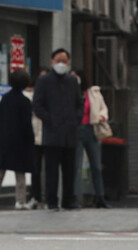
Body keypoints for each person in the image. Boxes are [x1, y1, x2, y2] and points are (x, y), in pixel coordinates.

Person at [32, 48, 82, 211]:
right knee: (51, 171)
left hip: (69, 134)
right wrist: (50, 120)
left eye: (65, 61)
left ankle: (68, 200)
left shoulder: (72, 81)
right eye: (58, 60)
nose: (62, 64)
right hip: (52, 133)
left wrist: (75, 120)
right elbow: (37, 105)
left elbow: (79, 103)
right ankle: (52, 201)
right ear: (52, 62)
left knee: (69, 171)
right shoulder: (44, 81)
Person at [0, 70, 35, 211]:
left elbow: (0, 121)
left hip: (3, 140)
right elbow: (27, 125)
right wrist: (30, 141)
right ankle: (20, 201)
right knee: (20, 174)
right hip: (20, 143)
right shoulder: (25, 102)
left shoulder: (4, 99)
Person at [72, 69, 109, 209]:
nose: (75, 79)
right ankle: (75, 197)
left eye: (76, 76)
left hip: (91, 129)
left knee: (96, 166)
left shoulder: (93, 93)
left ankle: (100, 197)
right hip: (76, 129)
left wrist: (102, 117)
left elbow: (103, 108)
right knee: (76, 166)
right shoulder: (68, 93)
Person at [24, 68, 48, 210]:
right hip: (34, 136)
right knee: (35, 169)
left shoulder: (52, 96)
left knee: (50, 169)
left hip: (49, 136)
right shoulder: (29, 95)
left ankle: (48, 197)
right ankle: (35, 197)